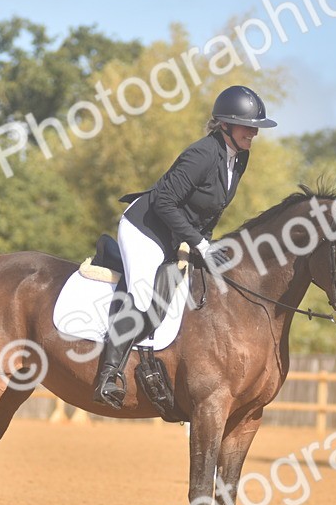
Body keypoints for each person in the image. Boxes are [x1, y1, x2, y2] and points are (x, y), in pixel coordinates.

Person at [92, 85, 278, 408]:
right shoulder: (202, 154)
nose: (254, 133)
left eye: (255, 127)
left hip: (177, 233)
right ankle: (109, 374)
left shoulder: (240, 157)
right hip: (145, 228)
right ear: (225, 125)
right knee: (145, 296)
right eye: (247, 126)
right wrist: (199, 243)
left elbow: (211, 208)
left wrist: (204, 243)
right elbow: (164, 201)